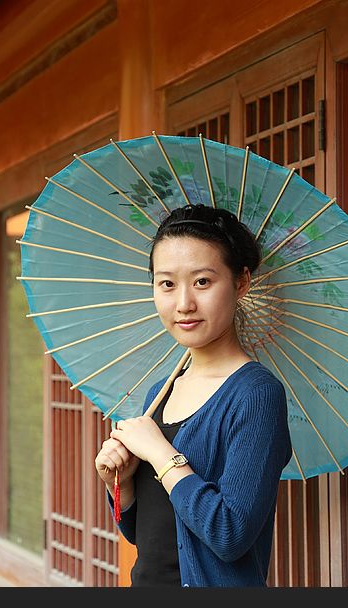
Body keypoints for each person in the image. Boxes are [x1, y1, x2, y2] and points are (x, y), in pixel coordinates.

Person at [94, 203, 292, 587]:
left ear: (241, 282)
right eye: (167, 284)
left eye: (202, 282)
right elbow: (149, 537)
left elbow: (229, 533)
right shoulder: (162, 391)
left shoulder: (256, 395)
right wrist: (120, 481)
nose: (183, 303)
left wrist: (160, 453)